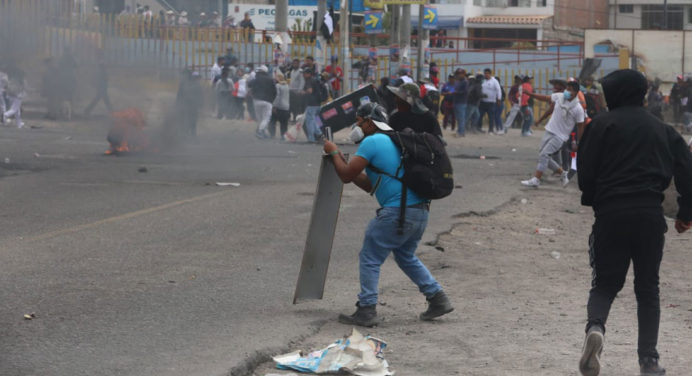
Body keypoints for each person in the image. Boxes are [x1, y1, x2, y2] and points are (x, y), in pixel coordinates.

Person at [576, 69, 692, 376]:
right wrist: (685, 213)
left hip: (611, 214)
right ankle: (649, 361)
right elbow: (688, 170)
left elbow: (585, 173)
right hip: (649, 216)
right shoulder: (663, 129)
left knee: (604, 284)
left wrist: (593, 197)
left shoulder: (600, 125)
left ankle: (596, 327)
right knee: (648, 288)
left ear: (613, 94)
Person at [322, 102, 454, 327]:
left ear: (370, 122)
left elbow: (344, 176)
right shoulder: (395, 141)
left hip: (397, 213)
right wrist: (343, 163)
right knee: (405, 256)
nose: (357, 126)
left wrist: (333, 152)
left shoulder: (372, 141)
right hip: (419, 212)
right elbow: (370, 185)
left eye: (359, 121)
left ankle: (366, 309)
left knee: (370, 257)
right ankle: (438, 298)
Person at [520, 81, 585, 188]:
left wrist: (579, 143)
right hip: (549, 130)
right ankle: (563, 173)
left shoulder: (578, 109)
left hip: (560, 136)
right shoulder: (559, 97)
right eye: (566, 89)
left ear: (576, 92)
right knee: (542, 155)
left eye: (570, 90)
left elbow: (580, 127)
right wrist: (531, 94)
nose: (567, 92)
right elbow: (545, 98)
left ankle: (536, 179)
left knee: (544, 155)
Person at [248, 65, 276, 139]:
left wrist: (252, 93)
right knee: (266, 118)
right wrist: (272, 101)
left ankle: (262, 133)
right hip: (267, 101)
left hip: (256, 101)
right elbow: (275, 92)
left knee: (260, 118)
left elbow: (249, 84)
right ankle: (260, 131)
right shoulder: (270, 80)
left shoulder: (256, 79)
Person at [176, 71, 203, 137]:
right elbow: (179, 95)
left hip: (191, 106)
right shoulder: (183, 84)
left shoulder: (194, 84)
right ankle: (188, 135)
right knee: (188, 121)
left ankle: (191, 135)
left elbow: (199, 94)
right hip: (186, 106)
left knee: (192, 121)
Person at [300, 68, 324, 142]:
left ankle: (311, 138)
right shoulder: (315, 80)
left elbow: (310, 91)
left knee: (309, 121)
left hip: (311, 104)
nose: (303, 75)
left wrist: (303, 92)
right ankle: (319, 133)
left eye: (305, 73)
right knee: (314, 120)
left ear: (309, 74)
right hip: (318, 104)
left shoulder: (309, 80)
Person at [477, 68, 503, 134]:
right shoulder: (482, 81)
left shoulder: (494, 81)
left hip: (491, 102)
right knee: (480, 115)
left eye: (487, 73)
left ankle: (491, 130)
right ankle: (479, 128)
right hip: (482, 102)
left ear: (490, 74)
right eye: (485, 73)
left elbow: (498, 90)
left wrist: (499, 99)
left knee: (491, 117)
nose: (486, 75)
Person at [3, 63, 26, 128]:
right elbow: (23, 87)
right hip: (18, 95)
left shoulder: (12, 79)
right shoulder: (21, 80)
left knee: (17, 111)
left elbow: (8, 87)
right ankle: (5, 115)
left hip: (11, 95)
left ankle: (19, 124)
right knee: (14, 109)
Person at [269, 72, 290, 140]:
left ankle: (272, 135)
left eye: (276, 77)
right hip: (286, 107)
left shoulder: (278, 85)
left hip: (279, 106)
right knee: (284, 123)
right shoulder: (287, 85)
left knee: (273, 121)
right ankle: (283, 136)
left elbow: (277, 96)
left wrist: (274, 106)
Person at [452, 69, 468, 137]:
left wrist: (457, 92)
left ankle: (461, 132)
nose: (459, 75)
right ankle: (460, 131)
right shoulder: (458, 82)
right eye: (458, 74)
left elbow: (465, 91)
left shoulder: (465, 82)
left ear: (463, 74)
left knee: (461, 118)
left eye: (460, 73)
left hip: (462, 102)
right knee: (458, 118)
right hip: (456, 101)